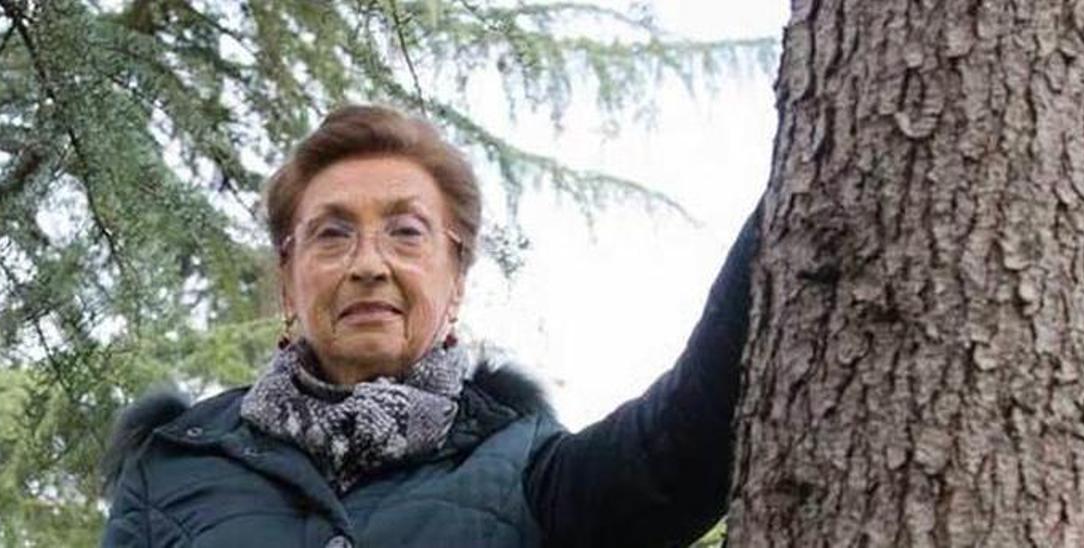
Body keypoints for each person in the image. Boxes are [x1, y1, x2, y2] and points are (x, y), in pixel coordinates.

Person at [101, 104, 758, 547]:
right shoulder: (172, 467)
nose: (367, 264)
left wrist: (787, 211)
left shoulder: (525, 464)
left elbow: (684, 446)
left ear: (457, 279)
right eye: (331, 235)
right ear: (287, 280)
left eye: (406, 233)